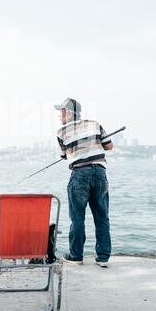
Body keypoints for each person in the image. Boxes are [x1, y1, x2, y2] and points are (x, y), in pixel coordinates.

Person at [54, 98, 113, 267]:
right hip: (100, 174)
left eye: (62, 112)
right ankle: (103, 257)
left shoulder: (61, 132)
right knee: (102, 218)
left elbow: (64, 155)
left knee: (77, 218)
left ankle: (76, 255)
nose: (60, 116)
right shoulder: (95, 124)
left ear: (70, 113)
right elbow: (109, 146)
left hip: (79, 174)